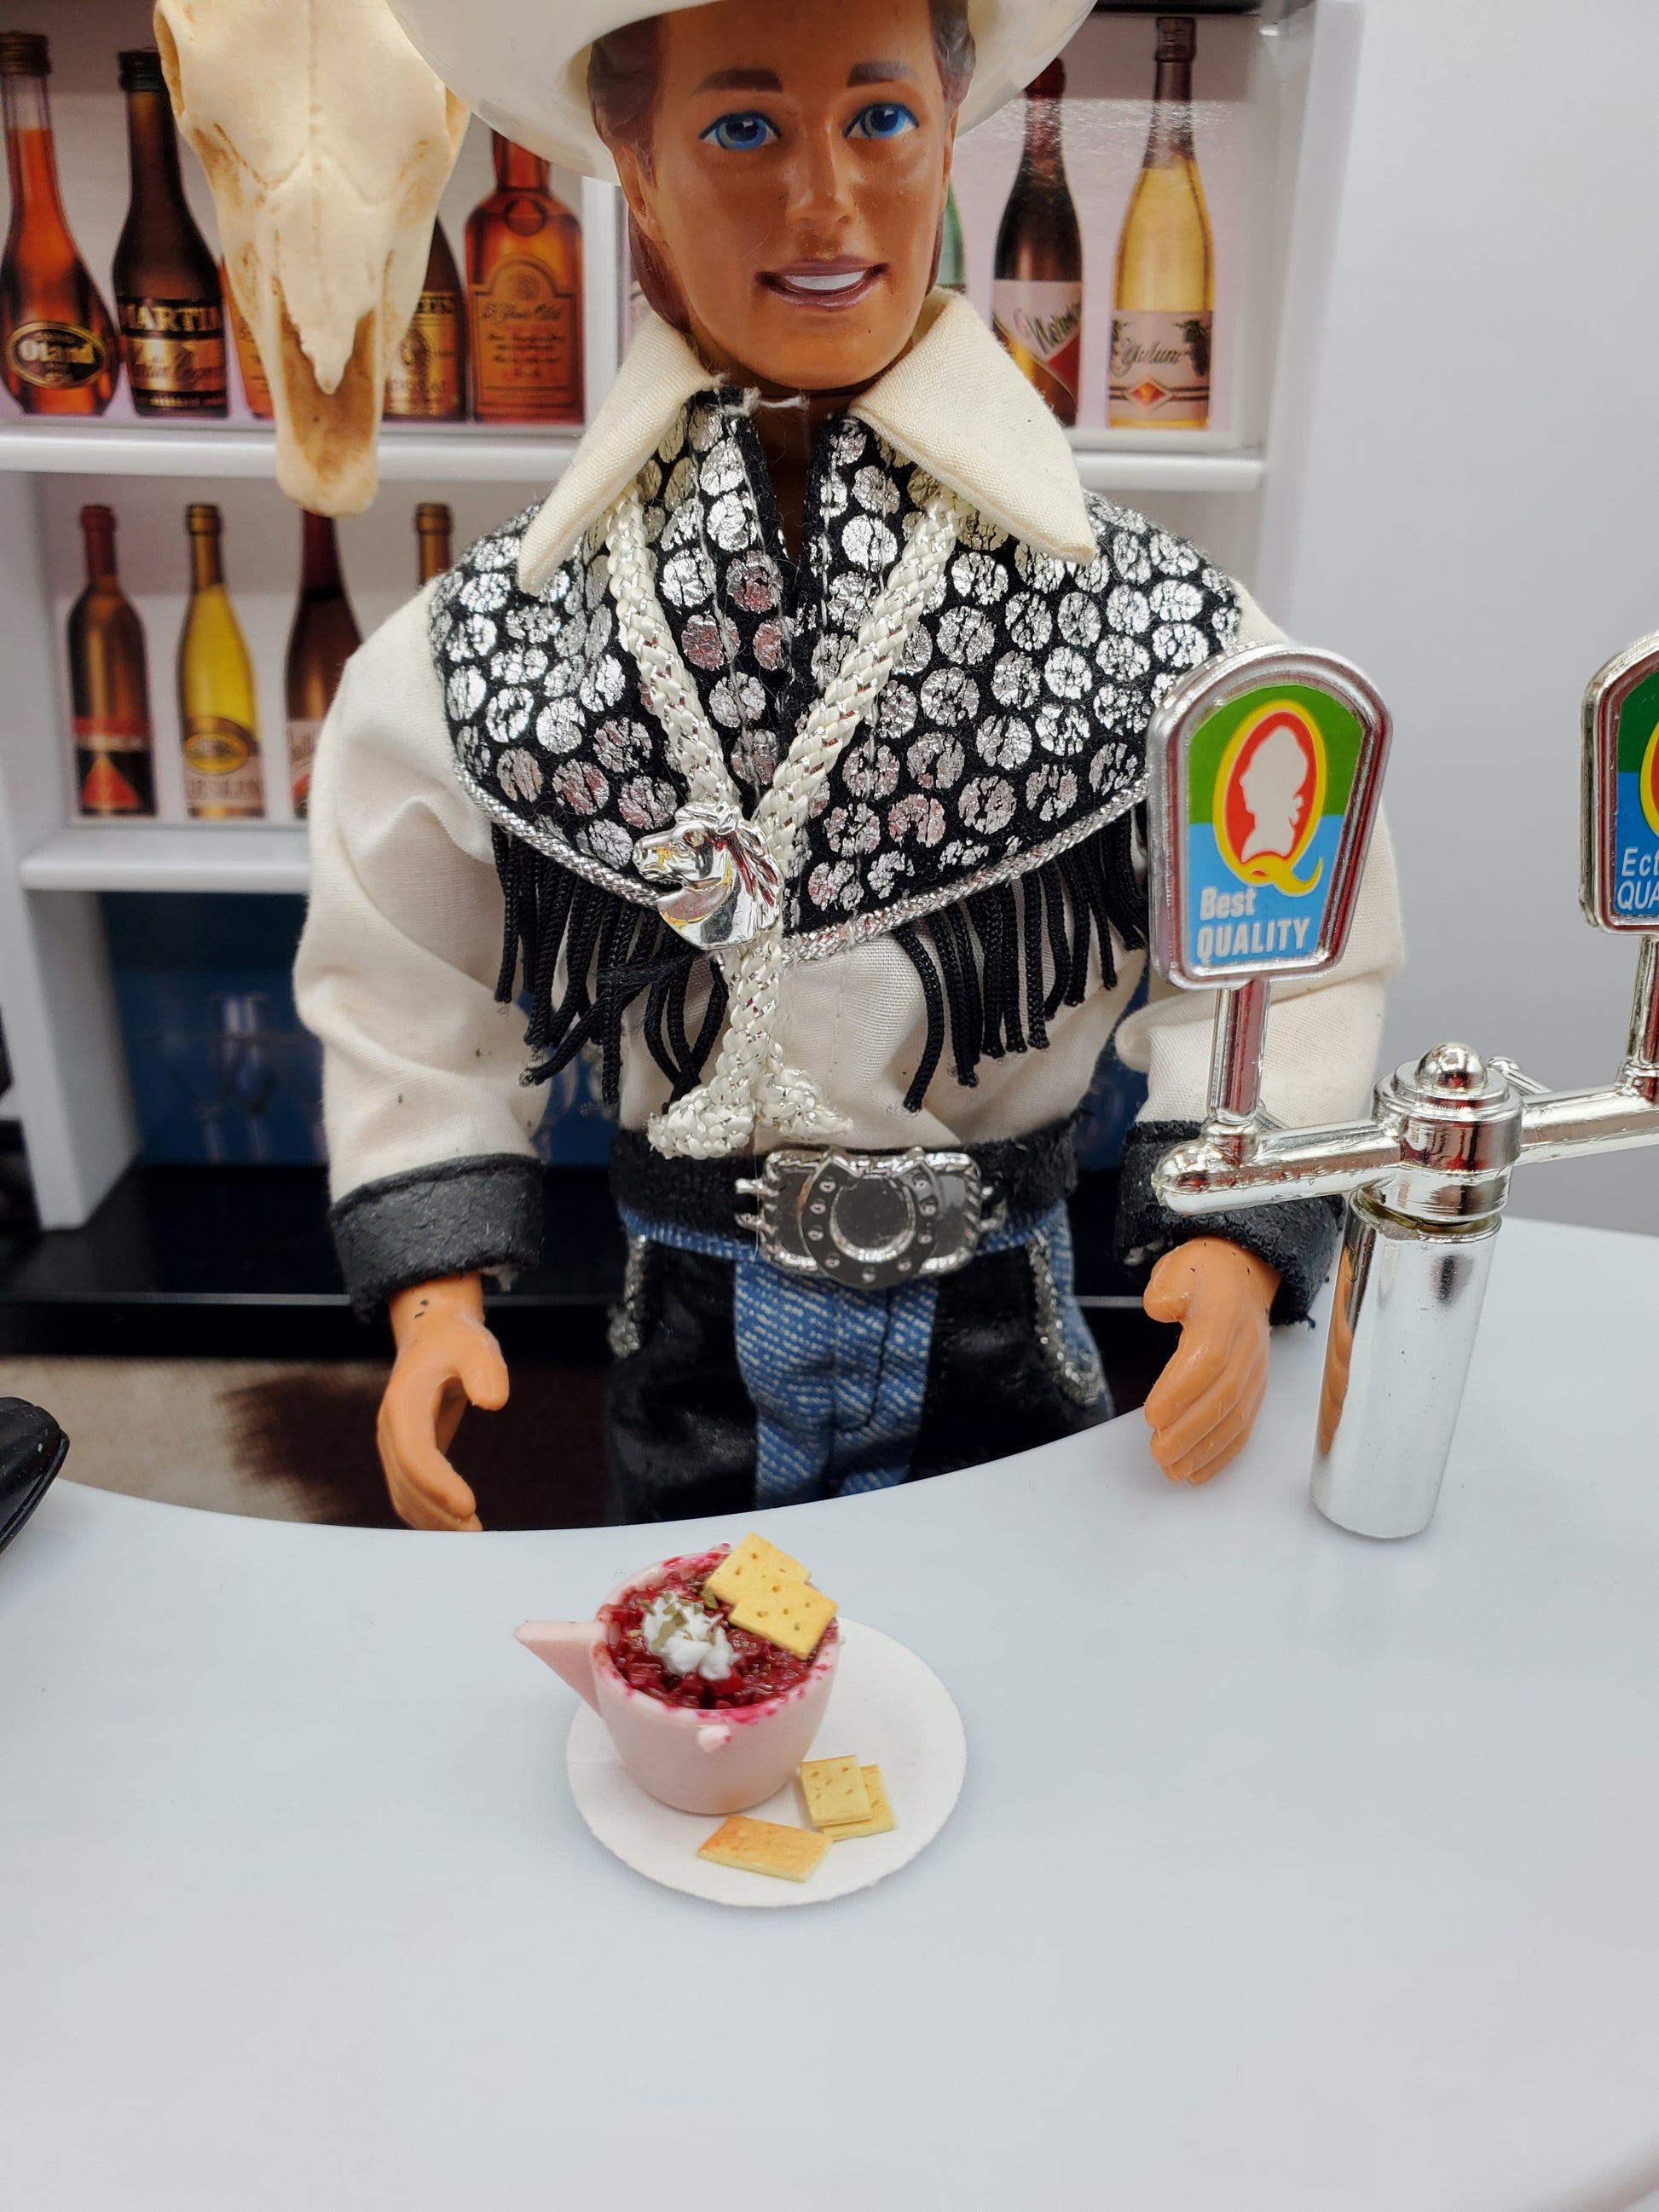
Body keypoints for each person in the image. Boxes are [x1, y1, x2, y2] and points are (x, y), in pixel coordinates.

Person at [295, 0, 1404, 1529]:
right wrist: (433, 1289)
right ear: (629, 145)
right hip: (689, 1323)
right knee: (712, 1678)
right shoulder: (494, 644)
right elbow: (406, 979)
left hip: (1002, 1309)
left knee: (1017, 1677)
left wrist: (1231, 1230)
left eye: (878, 120)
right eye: (741, 127)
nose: (824, 201)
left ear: (950, 126)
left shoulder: (1138, 615)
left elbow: (1289, 941)